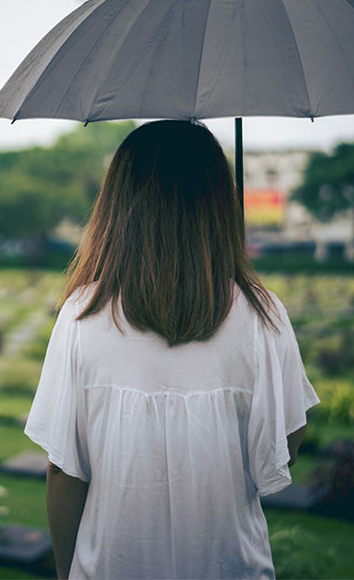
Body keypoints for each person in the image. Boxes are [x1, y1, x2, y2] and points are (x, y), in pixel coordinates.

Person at [25, 120, 319, 580]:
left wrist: (66, 572)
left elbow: (64, 471)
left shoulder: (82, 314)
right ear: (217, 202)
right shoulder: (263, 314)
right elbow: (287, 444)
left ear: (118, 205)